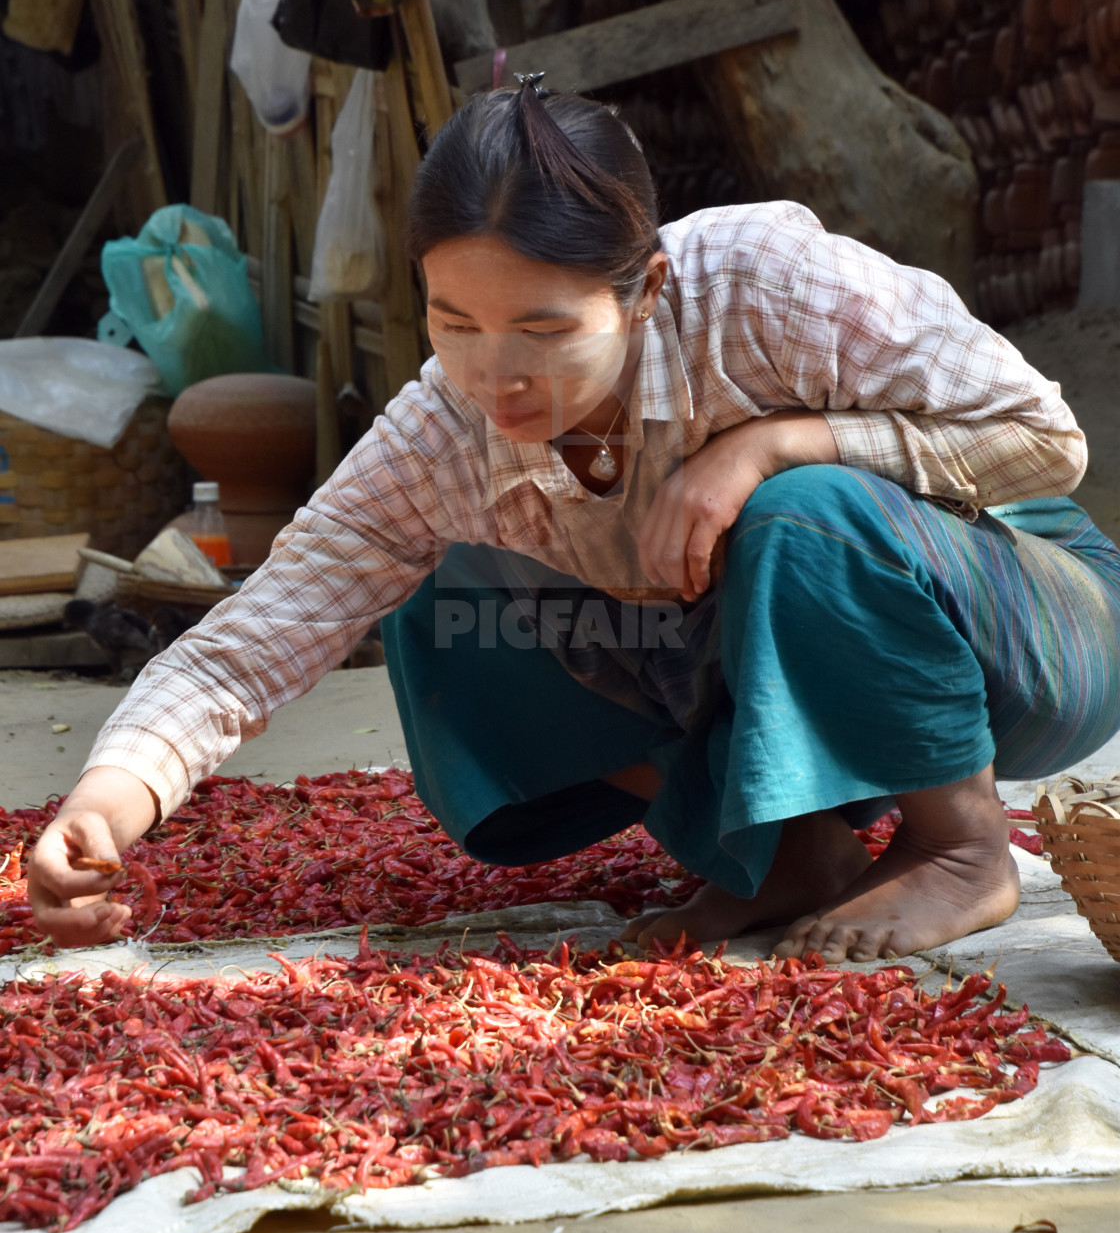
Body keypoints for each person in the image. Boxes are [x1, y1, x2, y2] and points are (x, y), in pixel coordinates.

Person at [28, 83, 1120, 961]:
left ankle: (962, 850)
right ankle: (790, 855)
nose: (494, 375)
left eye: (543, 330)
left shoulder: (765, 286)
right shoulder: (442, 428)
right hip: (792, 683)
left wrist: (775, 444)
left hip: (1021, 633)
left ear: (644, 289)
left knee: (801, 510)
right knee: (445, 596)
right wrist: (107, 803)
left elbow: (1042, 438)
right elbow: (258, 638)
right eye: (453, 323)